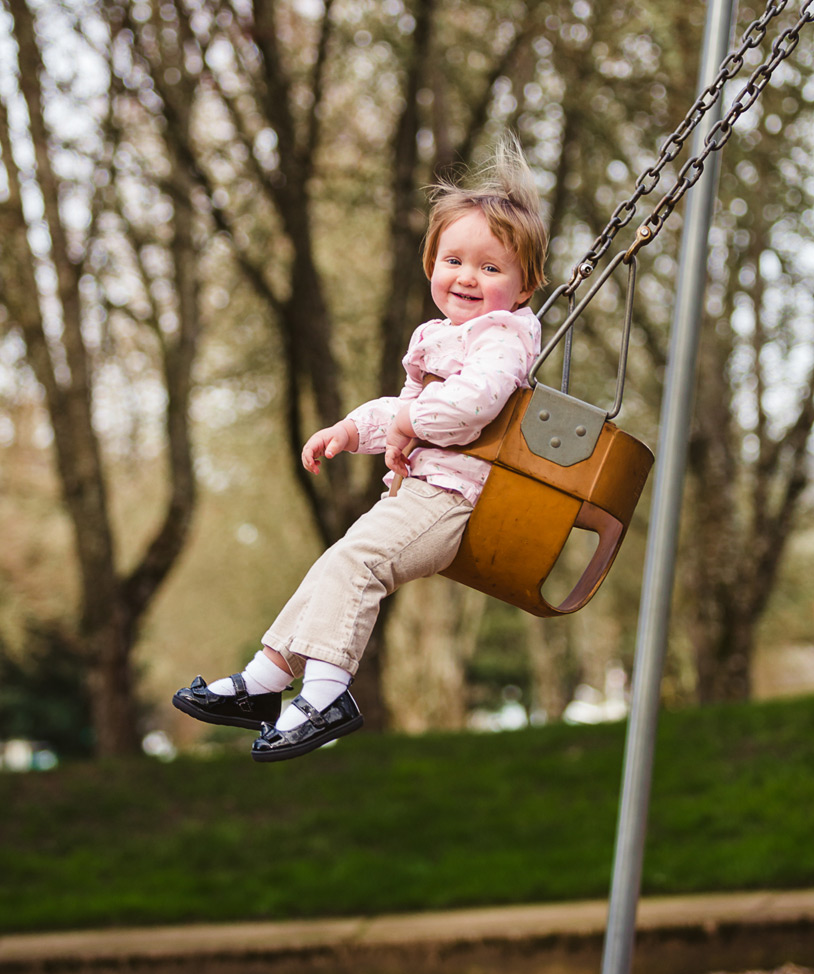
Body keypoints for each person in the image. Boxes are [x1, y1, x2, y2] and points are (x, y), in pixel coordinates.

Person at [172, 137, 548, 762]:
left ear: (524, 283)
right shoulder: (444, 338)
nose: (467, 278)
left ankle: (325, 696)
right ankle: (265, 681)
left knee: (356, 567)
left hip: (457, 498)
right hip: (419, 493)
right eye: (453, 260)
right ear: (431, 263)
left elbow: (466, 409)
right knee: (335, 564)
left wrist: (401, 418)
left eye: (490, 267)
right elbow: (406, 413)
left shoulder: (503, 340)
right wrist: (351, 431)